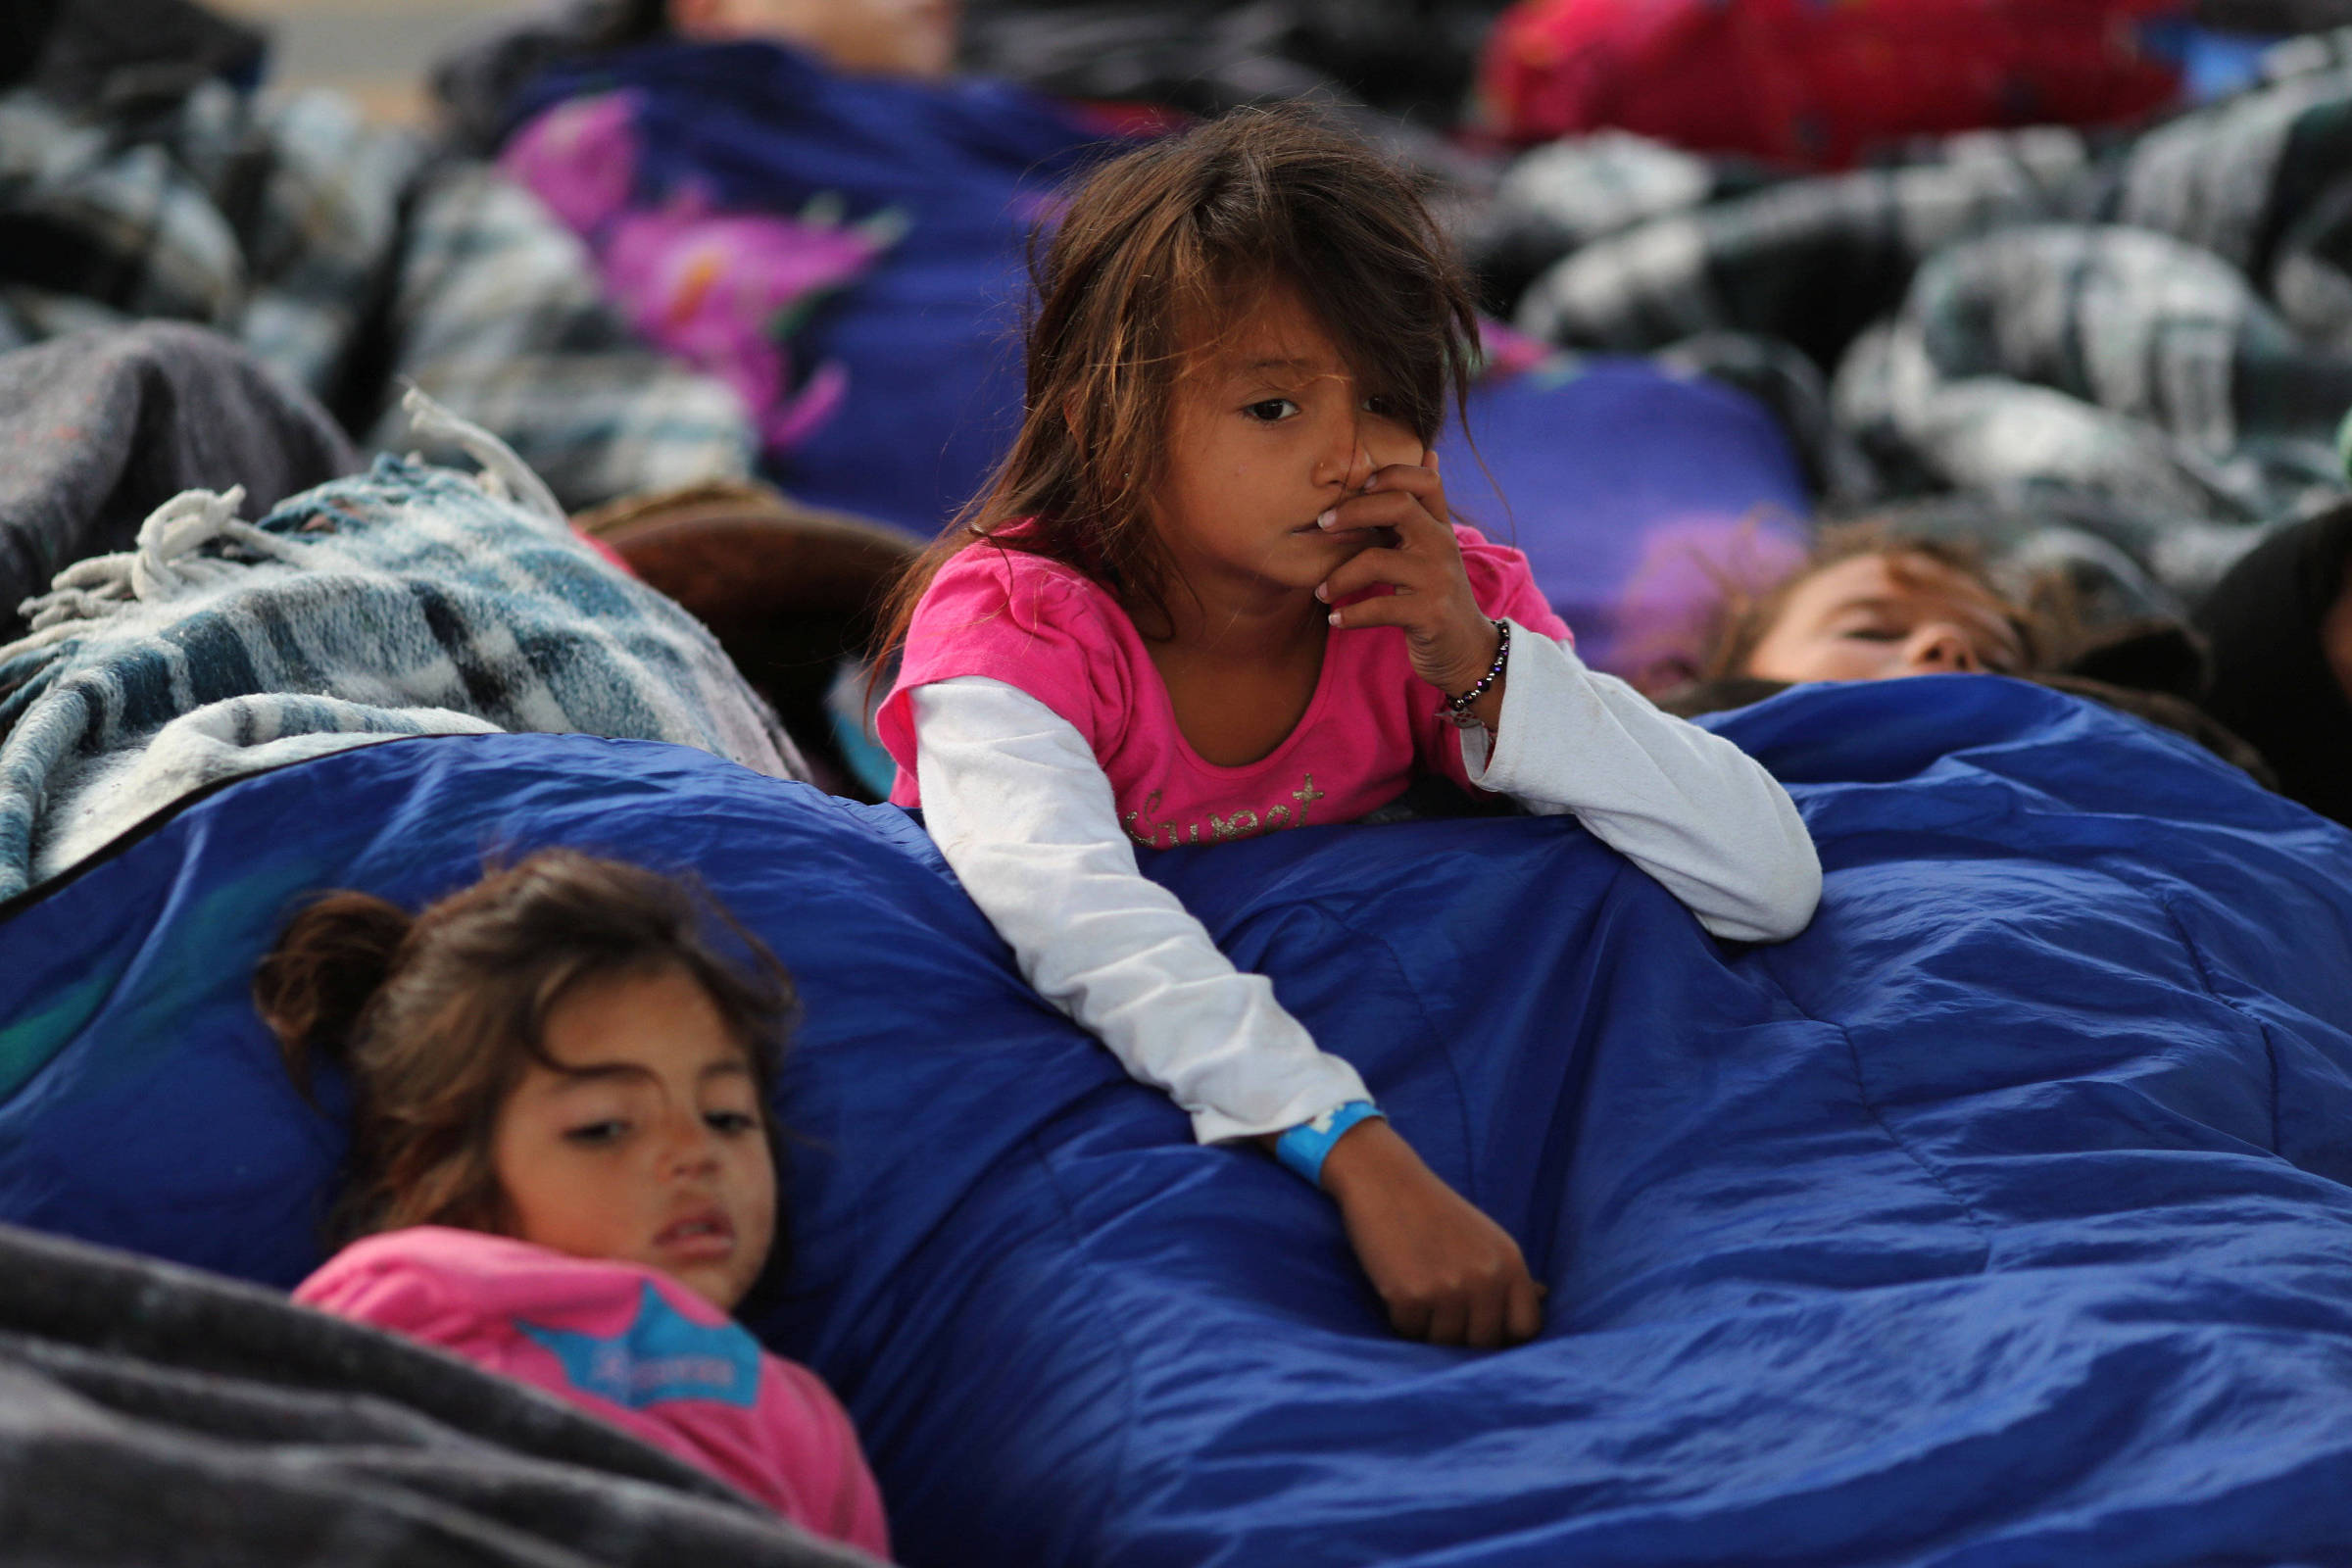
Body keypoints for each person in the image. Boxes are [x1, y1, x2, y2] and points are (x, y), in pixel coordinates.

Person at [870, 109, 1824, 1351]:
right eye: (1272, 408)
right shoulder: (1022, 626)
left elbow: (1767, 881)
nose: (1347, 456)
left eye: (1385, 398)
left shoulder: (1433, 607)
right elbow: (1069, 917)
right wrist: (1355, 1154)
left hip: (1393, 1087)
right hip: (1134, 1089)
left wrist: (1481, 666)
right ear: (1108, 416)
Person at [254, 849, 890, 1558]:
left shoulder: (800, 1418)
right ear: (434, 1168)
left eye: (727, 1117)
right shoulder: (402, 1305)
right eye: (605, 1127)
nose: (696, 1154)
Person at [1655, 520, 2276, 785]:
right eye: (1870, 633)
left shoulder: (2153, 748)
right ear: (1736, 674)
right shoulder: (1650, 767)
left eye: (1999, 665)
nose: (1945, 645)